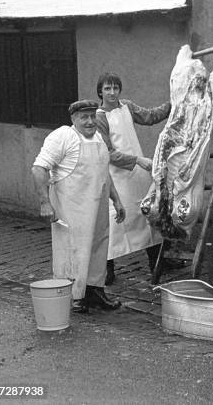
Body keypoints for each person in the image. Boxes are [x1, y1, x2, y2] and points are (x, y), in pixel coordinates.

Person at [32, 100, 126, 313]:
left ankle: (94, 293)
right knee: (74, 252)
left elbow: (104, 173)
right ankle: (73, 297)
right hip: (71, 210)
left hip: (97, 209)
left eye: (93, 116)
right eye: (84, 117)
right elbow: (39, 169)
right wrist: (45, 203)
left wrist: (117, 200)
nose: (90, 121)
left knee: (99, 248)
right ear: (73, 118)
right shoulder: (62, 137)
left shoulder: (100, 139)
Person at [94, 73, 171, 285]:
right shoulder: (99, 117)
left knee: (148, 214)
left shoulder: (126, 106)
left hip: (138, 174)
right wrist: (137, 160)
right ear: (100, 92)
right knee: (116, 221)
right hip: (118, 177)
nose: (112, 93)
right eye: (107, 89)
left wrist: (173, 104)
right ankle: (106, 269)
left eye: (115, 88)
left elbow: (150, 116)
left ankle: (157, 262)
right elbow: (107, 153)